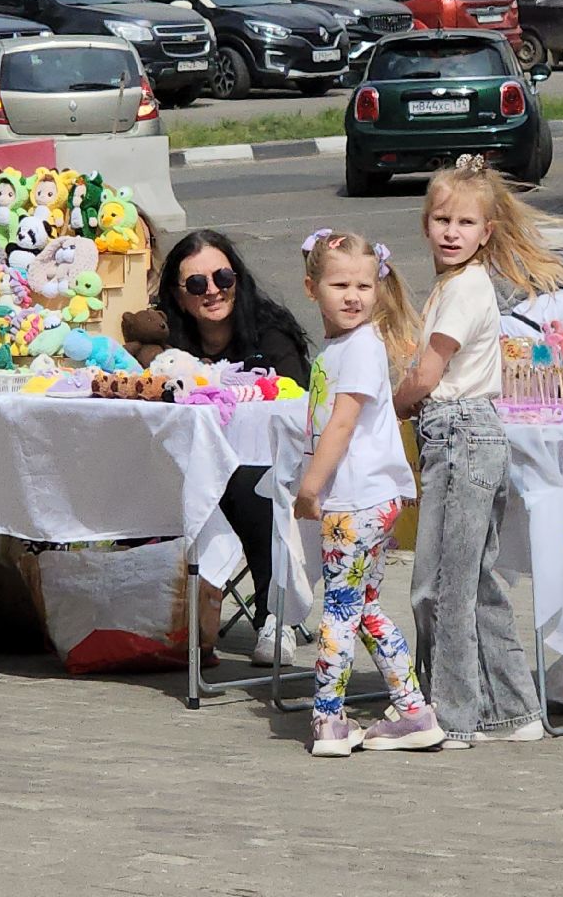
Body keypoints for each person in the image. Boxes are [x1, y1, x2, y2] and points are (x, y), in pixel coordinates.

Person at [394, 156, 563, 745]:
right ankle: (513, 711)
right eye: (442, 219)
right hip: (466, 436)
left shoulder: (466, 290)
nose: (451, 232)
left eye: (465, 223)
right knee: (475, 582)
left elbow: (427, 374)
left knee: (438, 585)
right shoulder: (454, 285)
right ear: (425, 224)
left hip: (460, 436)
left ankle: (450, 716)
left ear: (486, 232)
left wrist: (390, 404)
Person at [292, 229, 445, 757]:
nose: (353, 295)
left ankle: (329, 720)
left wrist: (311, 487)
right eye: (340, 284)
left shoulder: (358, 347)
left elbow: (342, 426)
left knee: (338, 608)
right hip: (372, 500)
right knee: (365, 605)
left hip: (353, 501)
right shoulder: (344, 348)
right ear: (312, 288)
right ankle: (412, 711)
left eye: (363, 284)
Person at [157, 229, 313, 665]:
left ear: (237, 279)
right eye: (196, 284)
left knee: (249, 485)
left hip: (266, 467)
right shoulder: (166, 342)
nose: (212, 291)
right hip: (184, 470)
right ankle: (163, 617)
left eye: (222, 277)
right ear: (178, 294)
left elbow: (294, 402)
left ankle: (274, 615)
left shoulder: (271, 332)